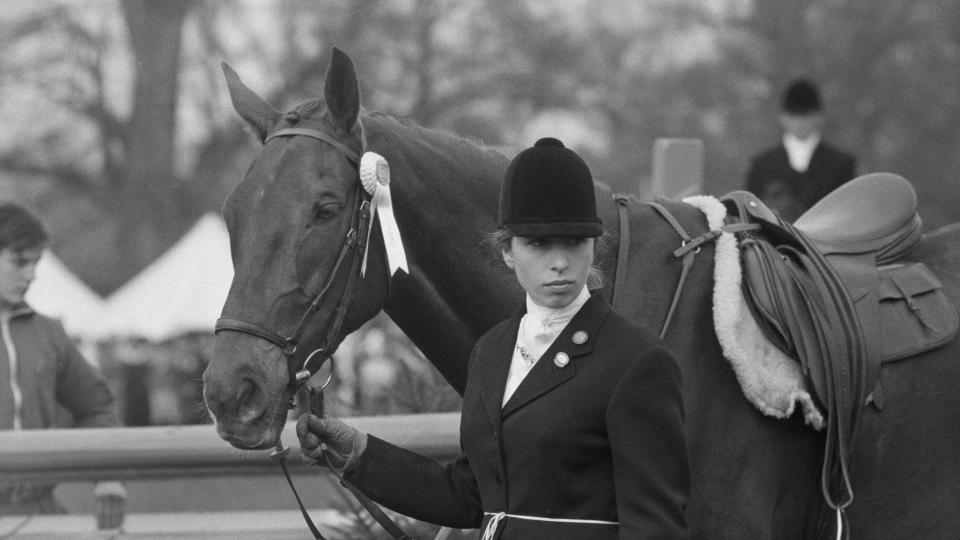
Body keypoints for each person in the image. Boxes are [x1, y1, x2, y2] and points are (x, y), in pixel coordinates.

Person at [297, 138, 690, 538]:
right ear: (506, 252)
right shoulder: (492, 350)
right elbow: (470, 495)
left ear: (594, 247)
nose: (559, 262)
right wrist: (362, 455)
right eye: (538, 243)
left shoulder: (636, 361)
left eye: (574, 242)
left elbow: (656, 528)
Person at [0, 203, 126, 528]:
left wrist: (107, 474)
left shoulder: (48, 333)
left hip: (37, 517)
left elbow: (96, 406)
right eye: (19, 261)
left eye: (36, 262)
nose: (31, 275)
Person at [745, 78, 858, 222]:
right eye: (794, 115)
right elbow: (749, 215)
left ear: (818, 117)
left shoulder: (841, 165)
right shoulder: (761, 165)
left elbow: (848, 214)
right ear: (783, 118)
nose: (800, 122)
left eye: (805, 115)